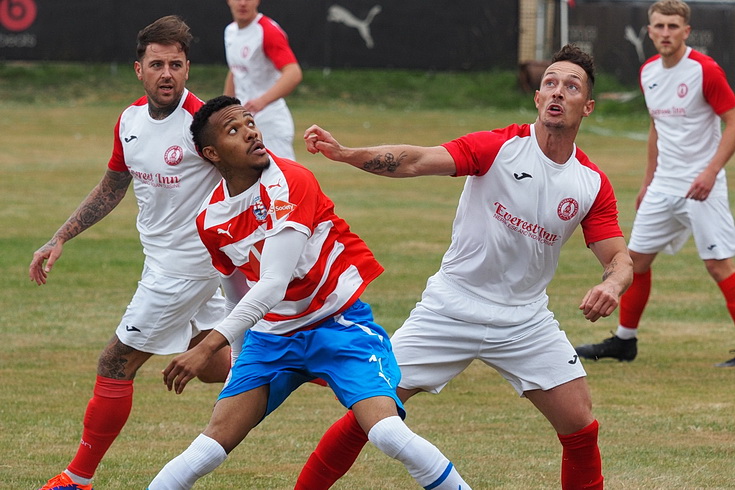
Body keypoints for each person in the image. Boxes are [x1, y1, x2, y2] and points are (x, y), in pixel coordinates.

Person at [296, 44, 633, 490]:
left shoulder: (590, 183)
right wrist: (347, 154)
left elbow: (619, 259)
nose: (557, 92)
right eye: (550, 83)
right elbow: (415, 160)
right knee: (372, 411)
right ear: (537, 98)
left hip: (525, 320)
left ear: (586, 106)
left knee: (580, 426)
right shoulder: (498, 146)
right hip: (451, 307)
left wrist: (612, 285)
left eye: (571, 86)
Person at [146, 95, 470, 490]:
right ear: (212, 153)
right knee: (210, 446)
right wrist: (237, 353)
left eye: (249, 122)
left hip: (339, 325)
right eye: (234, 130)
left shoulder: (291, 182)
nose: (250, 131)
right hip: (271, 340)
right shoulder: (210, 219)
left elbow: (272, 284)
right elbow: (236, 293)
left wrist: (207, 346)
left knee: (387, 434)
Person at [30, 16, 232, 490]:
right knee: (215, 367)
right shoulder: (130, 120)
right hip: (169, 265)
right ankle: (300, 362)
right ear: (138, 68)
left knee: (114, 363)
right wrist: (60, 236)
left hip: (184, 269)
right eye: (157, 64)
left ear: (187, 69)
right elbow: (113, 185)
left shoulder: (205, 124)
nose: (167, 74)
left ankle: (77, 479)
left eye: (176, 65)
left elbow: (253, 177)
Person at [575, 0, 735, 367]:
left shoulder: (705, 70)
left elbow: (732, 122)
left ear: (686, 31)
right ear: (649, 31)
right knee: (634, 261)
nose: (665, 33)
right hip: (663, 185)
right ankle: (624, 341)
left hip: (702, 185)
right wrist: (648, 181)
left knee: (719, 266)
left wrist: (710, 172)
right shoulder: (648, 71)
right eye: (659, 26)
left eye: (673, 26)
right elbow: (656, 128)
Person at [223, 0, 302, 160]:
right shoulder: (230, 31)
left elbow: (293, 73)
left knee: (282, 179)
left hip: (269, 123)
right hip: (243, 122)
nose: (243, 3)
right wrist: (224, 108)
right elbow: (236, 70)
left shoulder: (267, 31)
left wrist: (262, 101)